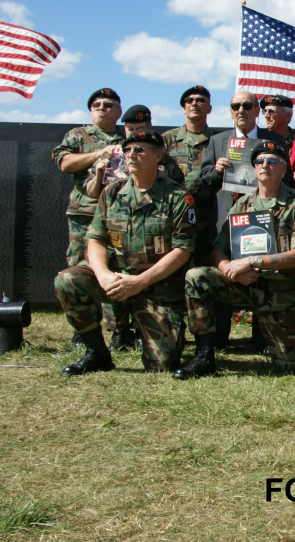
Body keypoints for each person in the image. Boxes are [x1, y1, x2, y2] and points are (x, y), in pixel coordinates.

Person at [55, 130, 196, 375]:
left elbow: (182, 250)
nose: (131, 154)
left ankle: (164, 331)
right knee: (68, 280)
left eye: (140, 150)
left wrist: (140, 282)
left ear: (158, 156)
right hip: (118, 279)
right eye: (128, 150)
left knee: (162, 365)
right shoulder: (111, 193)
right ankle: (96, 352)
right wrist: (103, 274)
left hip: (156, 288)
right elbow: (96, 239)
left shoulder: (178, 197)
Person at [176, 140, 295, 378]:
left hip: (281, 289)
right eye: (259, 161)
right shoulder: (242, 204)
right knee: (196, 276)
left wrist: (251, 262)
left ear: (284, 169)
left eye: (273, 161)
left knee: (288, 366)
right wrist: (229, 267)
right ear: (254, 168)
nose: (265, 165)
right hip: (242, 283)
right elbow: (218, 248)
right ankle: (204, 354)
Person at [198, 90, 285, 347]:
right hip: (227, 217)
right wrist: (216, 171)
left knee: (261, 273)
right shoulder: (217, 141)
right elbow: (202, 181)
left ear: (257, 111)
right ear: (230, 110)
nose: (241, 110)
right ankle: (218, 338)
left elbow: (284, 175)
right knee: (224, 272)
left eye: (247, 105)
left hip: (263, 216)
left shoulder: (273, 139)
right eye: (236, 105)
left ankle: (262, 338)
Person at [51, 88, 127, 346]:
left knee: (118, 266)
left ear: (118, 110)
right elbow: (64, 163)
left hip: (121, 214)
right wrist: (98, 154)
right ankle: (84, 329)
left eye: (108, 104)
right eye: (96, 104)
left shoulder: (127, 136)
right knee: (80, 268)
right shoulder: (78, 135)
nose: (102, 108)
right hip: (85, 213)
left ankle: (120, 330)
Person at [163, 86, 214, 246]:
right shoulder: (166, 139)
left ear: (209, 108)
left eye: (200, 100)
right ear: (184, 108)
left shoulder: (218, 140)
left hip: (207, 216)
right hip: (173, 215)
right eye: (189, 101)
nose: (194, 104)